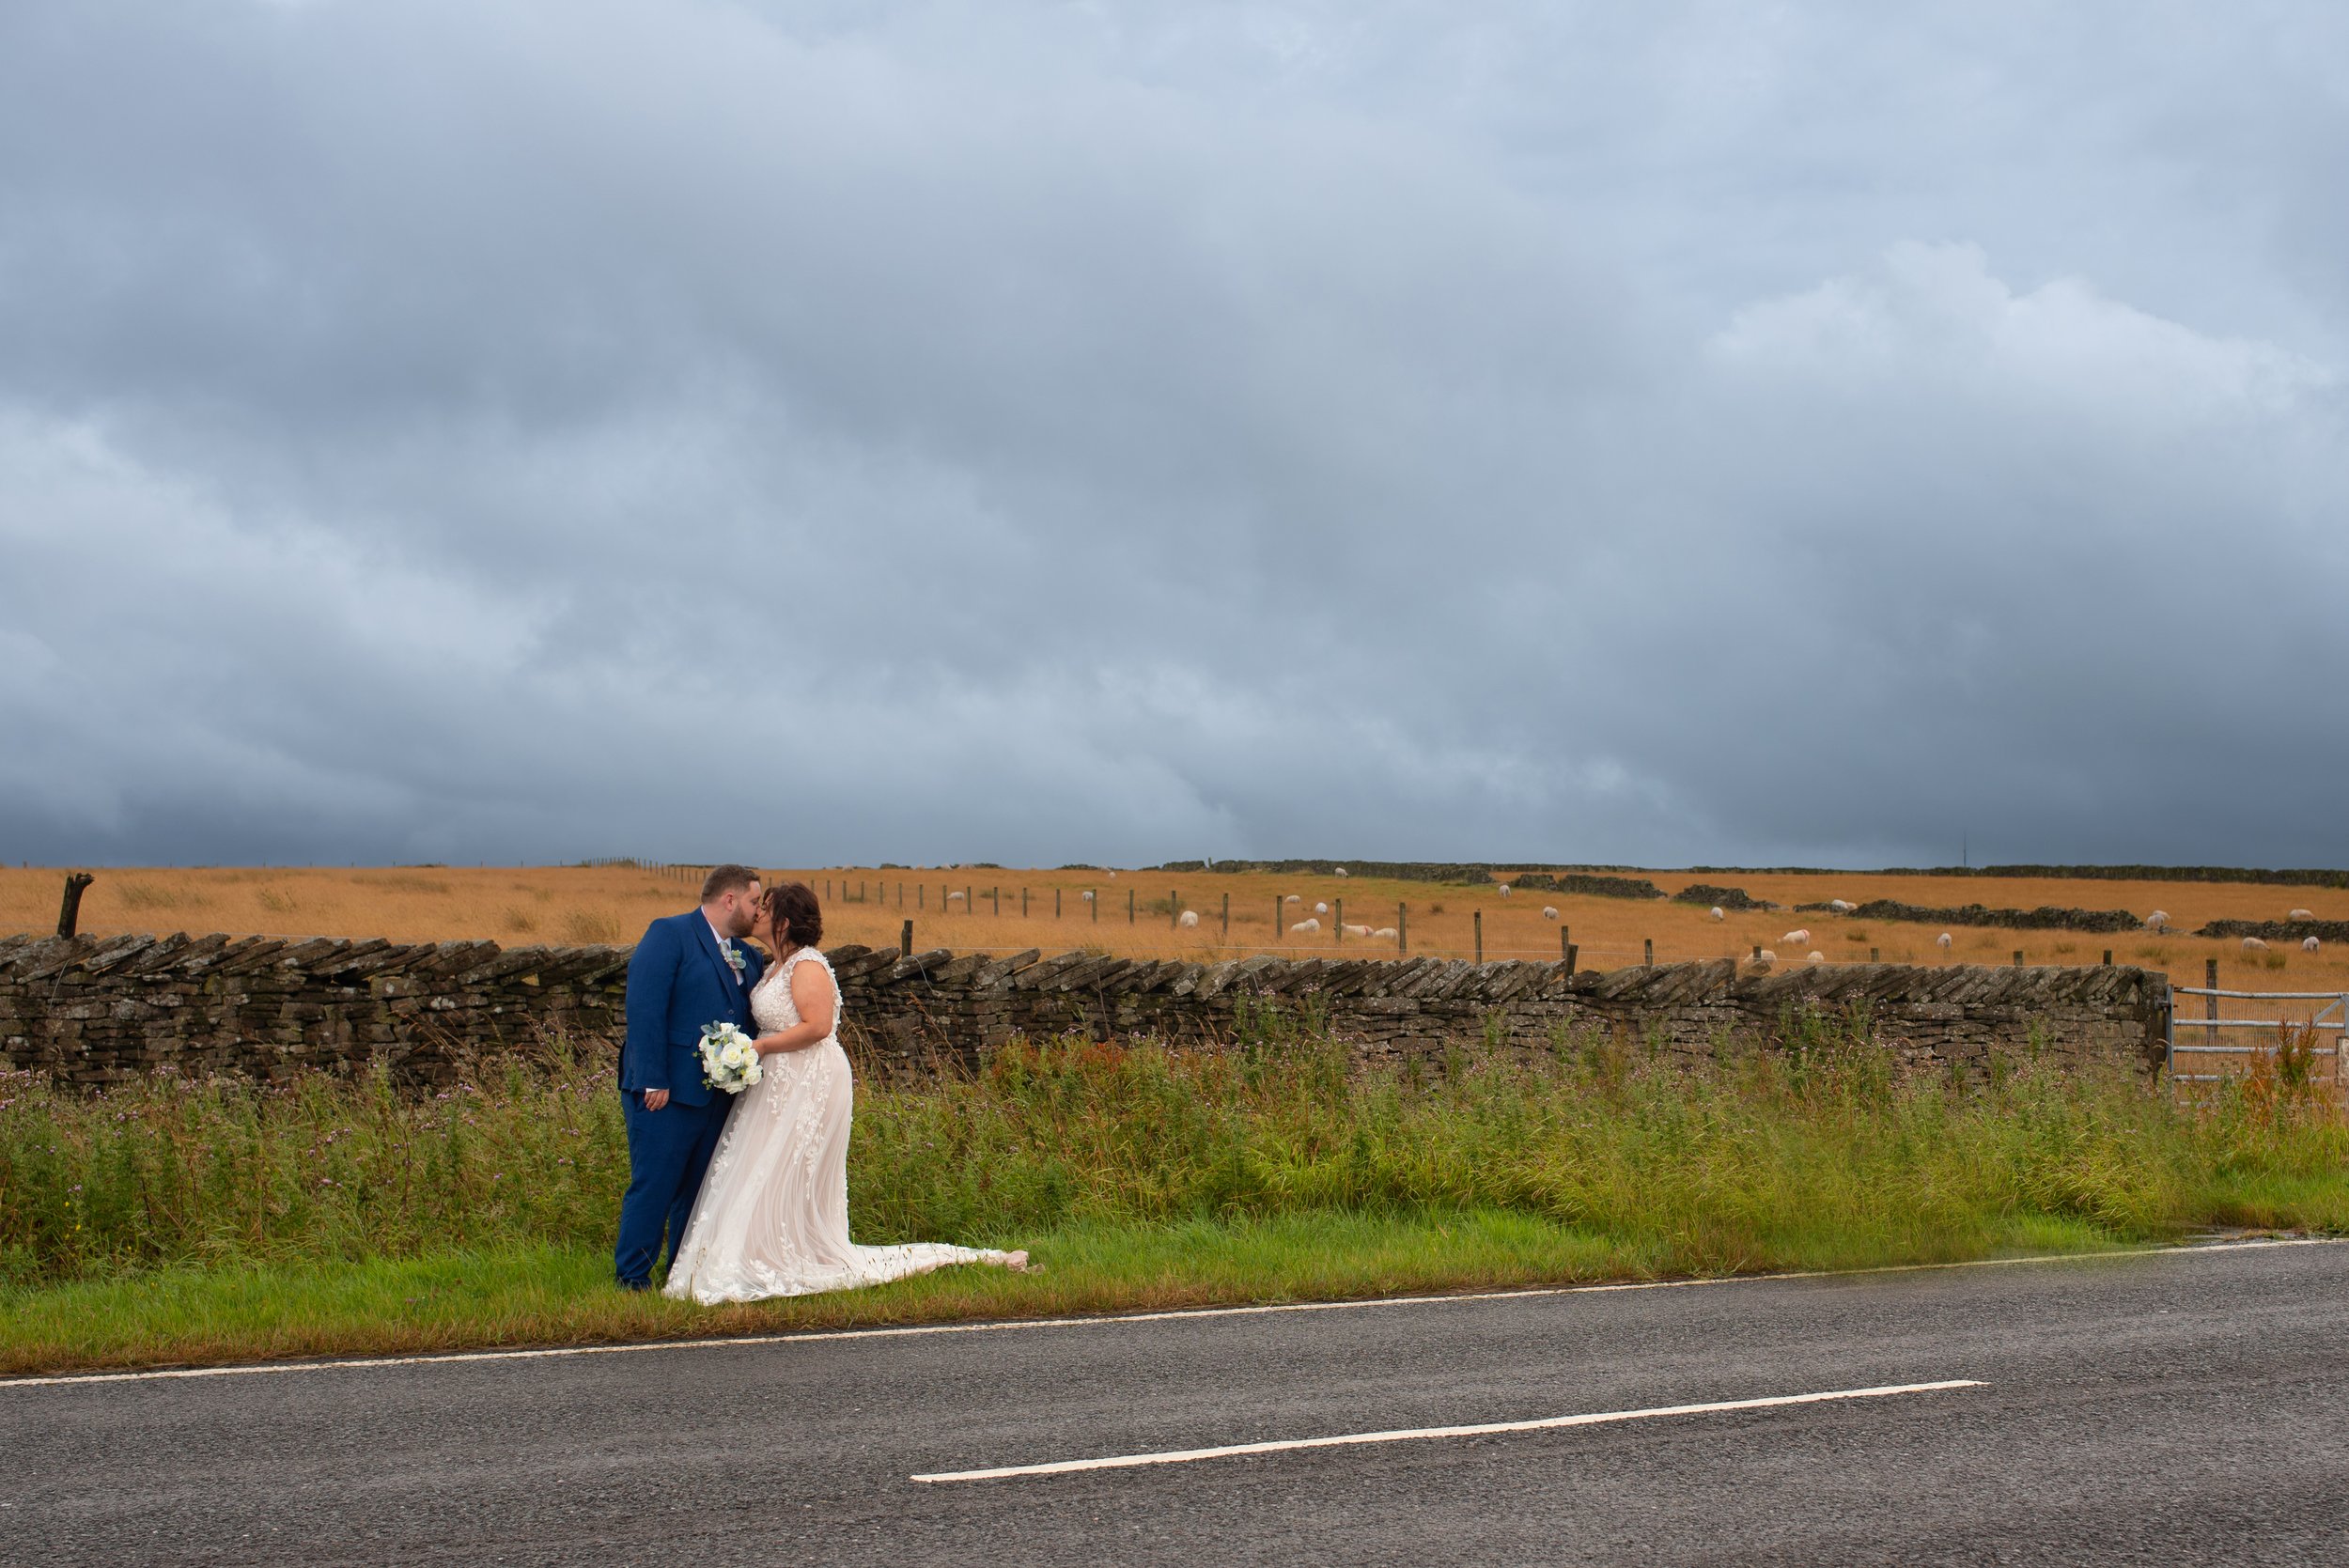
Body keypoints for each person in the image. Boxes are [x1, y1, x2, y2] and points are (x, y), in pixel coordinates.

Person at [663, 880, 1028, 1302]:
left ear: (783, 921)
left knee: (783, 1165)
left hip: (809, 1078)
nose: (757, 912)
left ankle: (785, 1254)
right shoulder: (773, 965)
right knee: (761, 1164)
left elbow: (817, 1027)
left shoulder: (807, 965)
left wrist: (758, 1047)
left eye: (766, 907)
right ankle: (759, 1250)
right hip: (779, 1079)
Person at [614, 863, 767, 1291]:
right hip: (665, 1092)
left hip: (719, 1094)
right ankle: (632, 1278)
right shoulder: (670, 934)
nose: (759, 911)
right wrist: (652, 1079)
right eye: (755, 901)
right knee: (655, 1184)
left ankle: (680, 1276)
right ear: (730, 899)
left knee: (700, 1190)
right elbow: (644, 1008)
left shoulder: (747, 953)